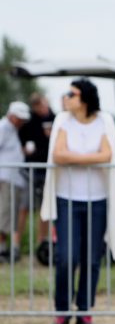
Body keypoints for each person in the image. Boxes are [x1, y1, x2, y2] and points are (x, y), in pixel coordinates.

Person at [40, 80, 115, 324]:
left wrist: (75, 160)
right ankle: (62, 310)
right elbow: (59, 155)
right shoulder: (62, 121)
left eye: (72, 93)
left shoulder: (104, 121)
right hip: (66, 199)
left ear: (85, 97)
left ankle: (85, 311)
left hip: (97, 200)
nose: (67, 97)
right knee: (66, 256)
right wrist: (91, 159)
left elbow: (108, 155)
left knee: (92, 259)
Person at [13, 94, 56, 260]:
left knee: (44, 210)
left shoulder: (54, 118)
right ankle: (16, 244)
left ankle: (42, 245)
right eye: (39, 107)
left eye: (44, 105)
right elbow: (20, 141)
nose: (43, 109)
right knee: (24, 207)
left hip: (48, 169)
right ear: (35, 107)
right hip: (30, 170)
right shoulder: (28, 121)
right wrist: (24, 149)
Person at [0, 101, 30, 262]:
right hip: (6, 178)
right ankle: (2, 250)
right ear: (12, 116)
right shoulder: (3, 127)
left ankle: (8, 249)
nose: (22, 122)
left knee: (11, 214)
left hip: (15, 179)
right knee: (4, 213)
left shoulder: (13, 130)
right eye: (20, 118)